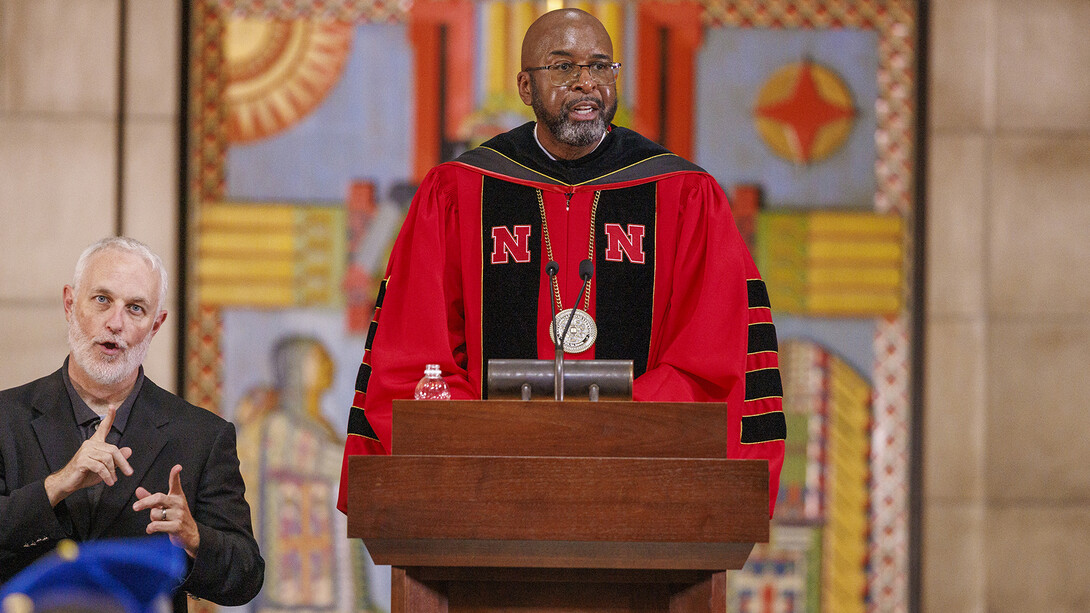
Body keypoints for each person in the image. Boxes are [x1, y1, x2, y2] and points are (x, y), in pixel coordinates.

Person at [337, 8, 786, 516]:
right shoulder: (460, 190)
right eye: (564, 67)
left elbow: (714, 360)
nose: (585, 84)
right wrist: (504, 442)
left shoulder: (683, 194)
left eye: (599, 67)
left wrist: (597, 433)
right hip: (487, 492)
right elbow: (417, 357)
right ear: (526, 87)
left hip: (640, 492)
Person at [0, 237, 264, 611]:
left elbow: (246, 577)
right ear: (70, 304)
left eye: (136, 308)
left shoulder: (202, 436)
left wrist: (194, 537)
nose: (116, 323)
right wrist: (56, 485)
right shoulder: (6, 418)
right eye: (102, 300)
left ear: (156, 325)